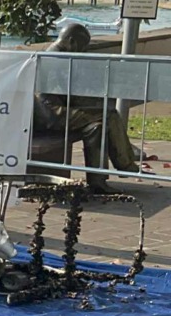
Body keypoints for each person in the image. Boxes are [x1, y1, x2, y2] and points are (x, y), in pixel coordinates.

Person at [33, 23, 142, 194]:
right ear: (71, 41)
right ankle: (125, 165)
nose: (83, 52)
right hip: (52, 113)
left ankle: (97, 181)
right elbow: (72, 93)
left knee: (95, 128)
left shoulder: (58, 53)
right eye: (82, 47)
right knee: (109, 114)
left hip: (56, 109)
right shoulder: (58, 58)